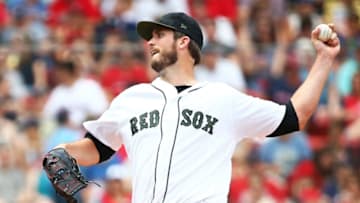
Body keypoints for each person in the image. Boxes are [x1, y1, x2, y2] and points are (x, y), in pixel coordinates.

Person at [44, 12, 340, 203]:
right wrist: (64, 151)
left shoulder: (223, 99)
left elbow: (293, 116)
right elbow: (98, 147)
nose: (150, 42)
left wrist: (324, 59)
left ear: (184, 41)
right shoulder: (132, 99)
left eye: (159, 35)